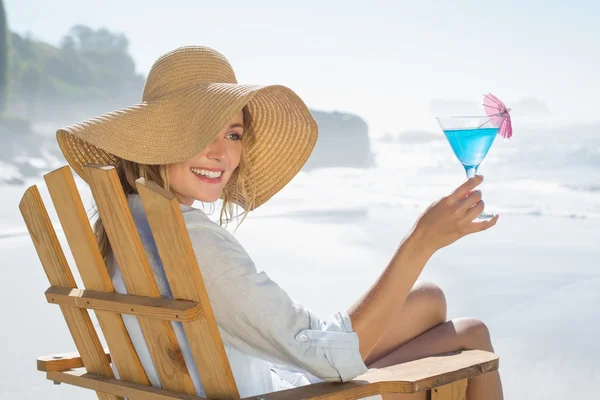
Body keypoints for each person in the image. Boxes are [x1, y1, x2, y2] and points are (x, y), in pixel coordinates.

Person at [56, 46, 503, 400]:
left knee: (428, 300)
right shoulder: (190, 241)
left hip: (254, 373)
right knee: (470, 336)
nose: (222, 152)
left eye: (232, 134)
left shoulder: (129, 221)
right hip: (278, 392)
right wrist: (420, 242)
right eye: (200, 133)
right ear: (156, 142)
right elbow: (328, 362)